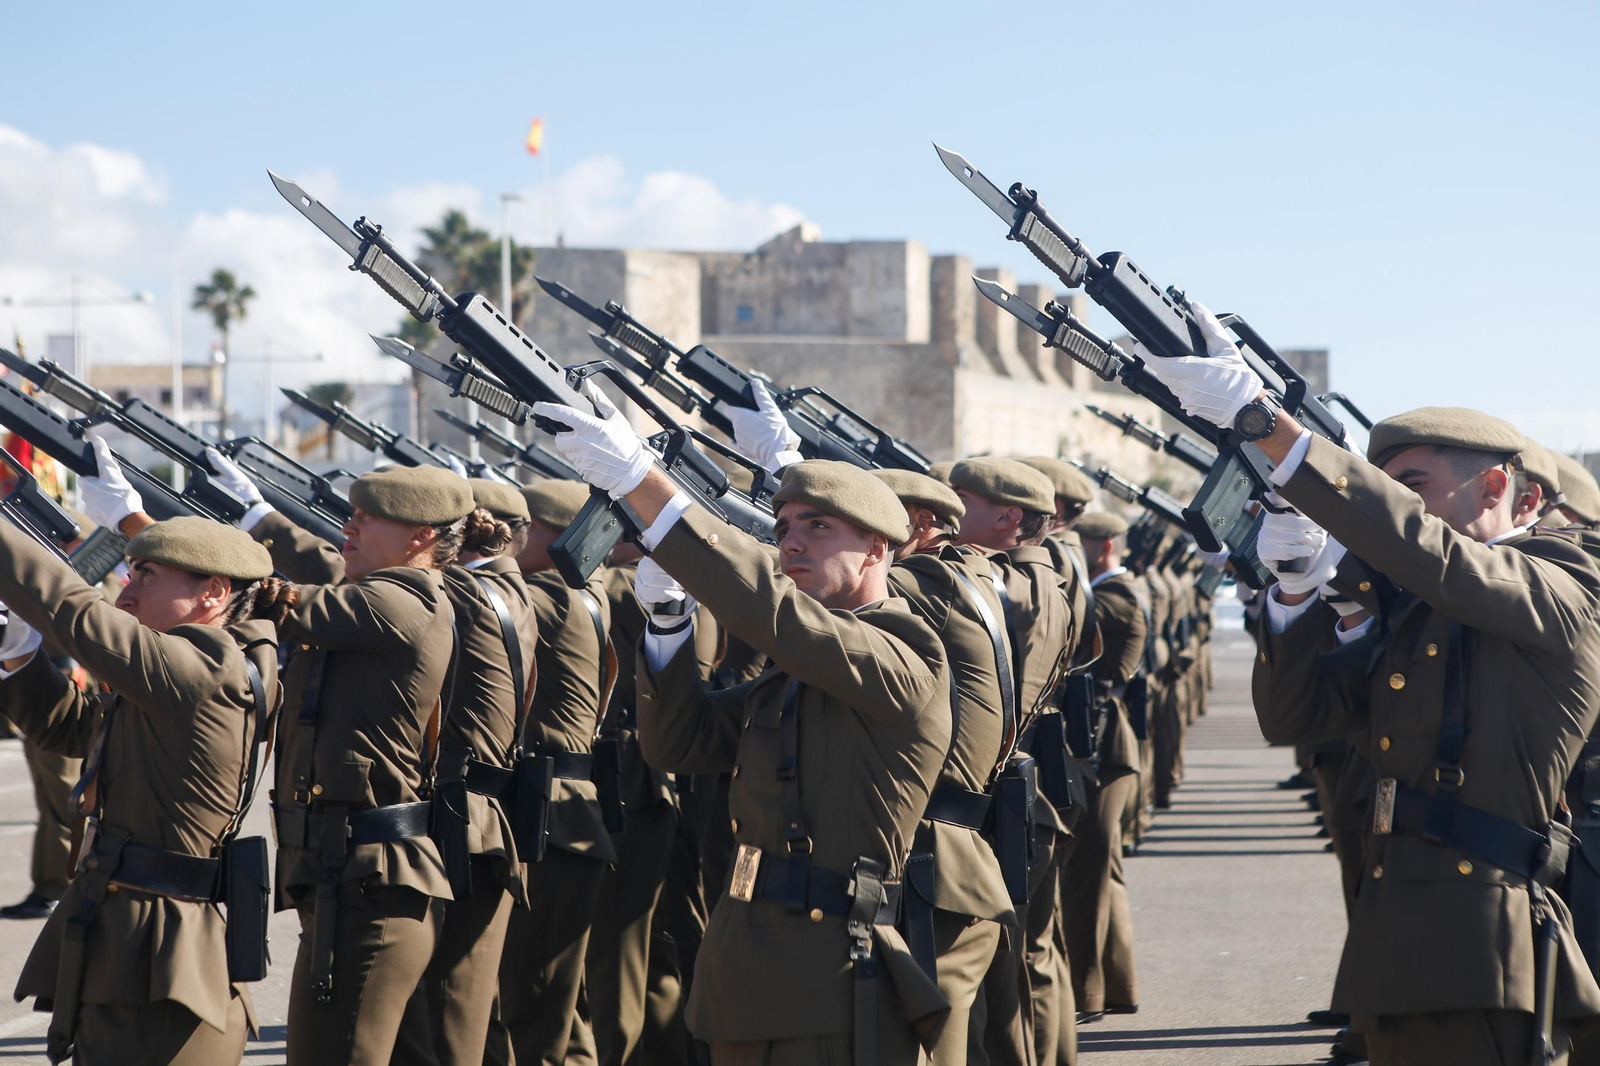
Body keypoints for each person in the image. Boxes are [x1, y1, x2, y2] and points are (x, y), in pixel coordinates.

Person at [1142, 298, 1600, 1064]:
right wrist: (1292, 586)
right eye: (1385, 489)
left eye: (1412, 485)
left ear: (1493, 489)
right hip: (1397, 936)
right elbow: (1297, 716)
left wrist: (1264, 422)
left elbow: (1437, 557)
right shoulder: (1423, 609)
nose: (1396, 506)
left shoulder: (1566, 579)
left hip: (1482, 939)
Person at [534, 379, 953, 1064]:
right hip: (744, 965)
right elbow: (680, 744)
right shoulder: (794, 676)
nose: (792, 542)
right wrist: (669, 621)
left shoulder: (906, 651)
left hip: (832, 972)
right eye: (783, 527)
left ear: (879, 549)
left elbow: (774, 613)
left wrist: (646, 484)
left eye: (819, 526)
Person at [0, 440, 290, 1065]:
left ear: (213, 593)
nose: (126, 596)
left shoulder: (205, 668)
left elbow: (73, 608)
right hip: (129, 947)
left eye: (146, 578)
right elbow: (75, 731)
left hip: (163, 962)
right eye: (129, 576)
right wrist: (17, 652)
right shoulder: (181, 675)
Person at [232, 461, 472, 1066]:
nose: (351, 524)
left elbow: (293, 604)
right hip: (354, 884)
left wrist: (207, 568)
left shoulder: (404, 599)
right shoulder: (377, 598)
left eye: (370, 516)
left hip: (369, 892)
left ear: (420, 537)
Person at [874, 467, 1021, 1066]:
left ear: (923, 525)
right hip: (961, 839)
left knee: (929, 1039)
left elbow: (839, 585)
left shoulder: (928, 580)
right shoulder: (970, 574)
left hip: (933, 852)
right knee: (962, 1028)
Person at [948, 456, 1082, 1066]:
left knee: (1009, 970)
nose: (950, 512)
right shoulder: (1049, 579)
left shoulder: (1015, 588)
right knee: (1031, 958)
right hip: (1023, 798)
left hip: (1001, 800)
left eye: (961, 501)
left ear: (1007, 517)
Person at [485, 478, 620, 1066]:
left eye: (524, 526)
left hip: (549, 818)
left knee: (532, 1009)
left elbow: (465, 598)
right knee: (561, 1012)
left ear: (561, 537)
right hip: (561, 810)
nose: (512, 539)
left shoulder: (551, 598)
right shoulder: (584, 593)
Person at [1060, 510, 1146, 1023]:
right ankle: (1118, 985)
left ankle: (1085, 993)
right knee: (1103, 872)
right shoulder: (1105, 590)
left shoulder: (1118, 595)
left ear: (1104, 547)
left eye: (1079, 544)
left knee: (1085, 876)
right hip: (1101, 745)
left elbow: (1069, 613)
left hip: (1103, 746)